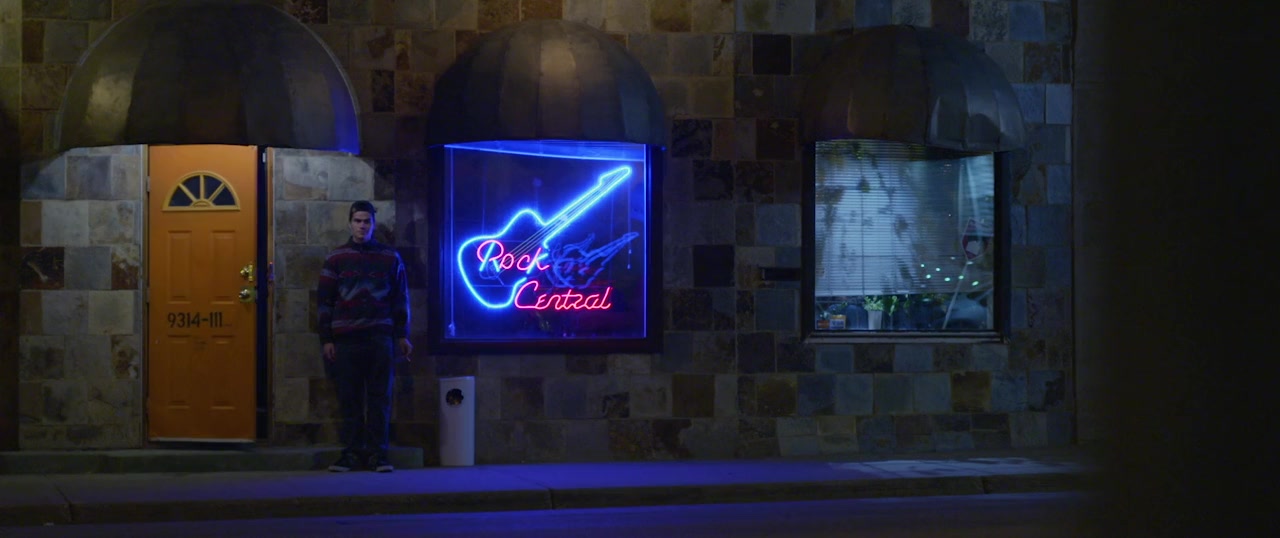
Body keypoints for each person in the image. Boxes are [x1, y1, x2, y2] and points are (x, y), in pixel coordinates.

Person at [317, 201, 412, 472]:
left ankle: (377, 455)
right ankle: (351, 453)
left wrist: (402, 334)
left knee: (380, 398)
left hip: (379, 336)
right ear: (350, 223)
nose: (362, 226)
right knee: (350, 399)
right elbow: (324, 301)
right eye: (358, 221)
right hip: (346, 338)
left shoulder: (390, 258)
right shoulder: (336, 258)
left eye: (366, 221)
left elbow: (400, 298)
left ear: (373, 224)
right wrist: (327, 338)